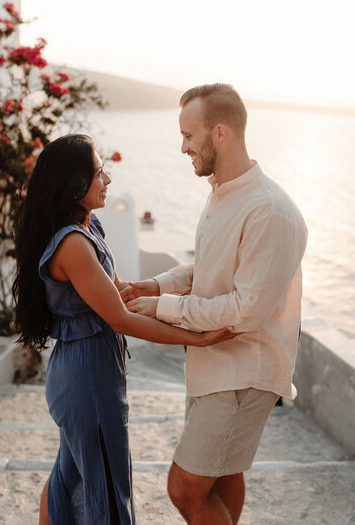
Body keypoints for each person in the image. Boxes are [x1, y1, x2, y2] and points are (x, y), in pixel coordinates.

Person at [12, 133, 238, 525]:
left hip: (87, 369)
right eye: (100, 172)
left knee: (71, 475)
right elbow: (120, 318)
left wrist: (168, 289)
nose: (108, 180)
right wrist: (196, 337)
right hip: (87, 377)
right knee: (105, 484)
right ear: (74, 184)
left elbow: (121, 297)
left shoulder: (89, 227)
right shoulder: (73, 246)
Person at [123, 84, 308, 525]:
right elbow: (206, 269)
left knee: (184, 487)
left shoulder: (269, 210)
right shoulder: (223, 192)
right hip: (214, 366)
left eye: (189, 136)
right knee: (223, 476)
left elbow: (246, 311)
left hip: (245, 370)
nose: (182, 146)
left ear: (219, 133)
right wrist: (152, 285)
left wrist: (163, 307)